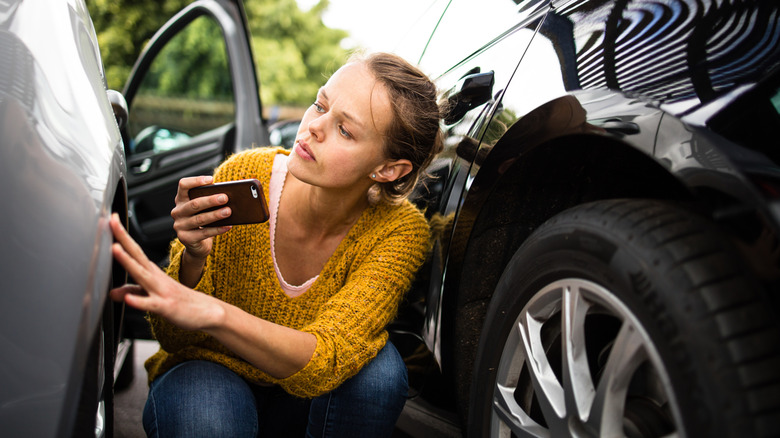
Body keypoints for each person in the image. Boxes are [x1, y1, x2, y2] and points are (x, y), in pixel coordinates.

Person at [108, 52, 444, 438]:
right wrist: (194, 259)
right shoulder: (245, 174)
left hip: (303, 399)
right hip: (207, 372)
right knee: (206, 413)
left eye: (345, 130)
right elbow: (173, 338)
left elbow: (327, 358)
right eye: (320, 104)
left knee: (380, 373)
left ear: (388, 169)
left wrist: (215, 313)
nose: (314, 127)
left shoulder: (398, 232)